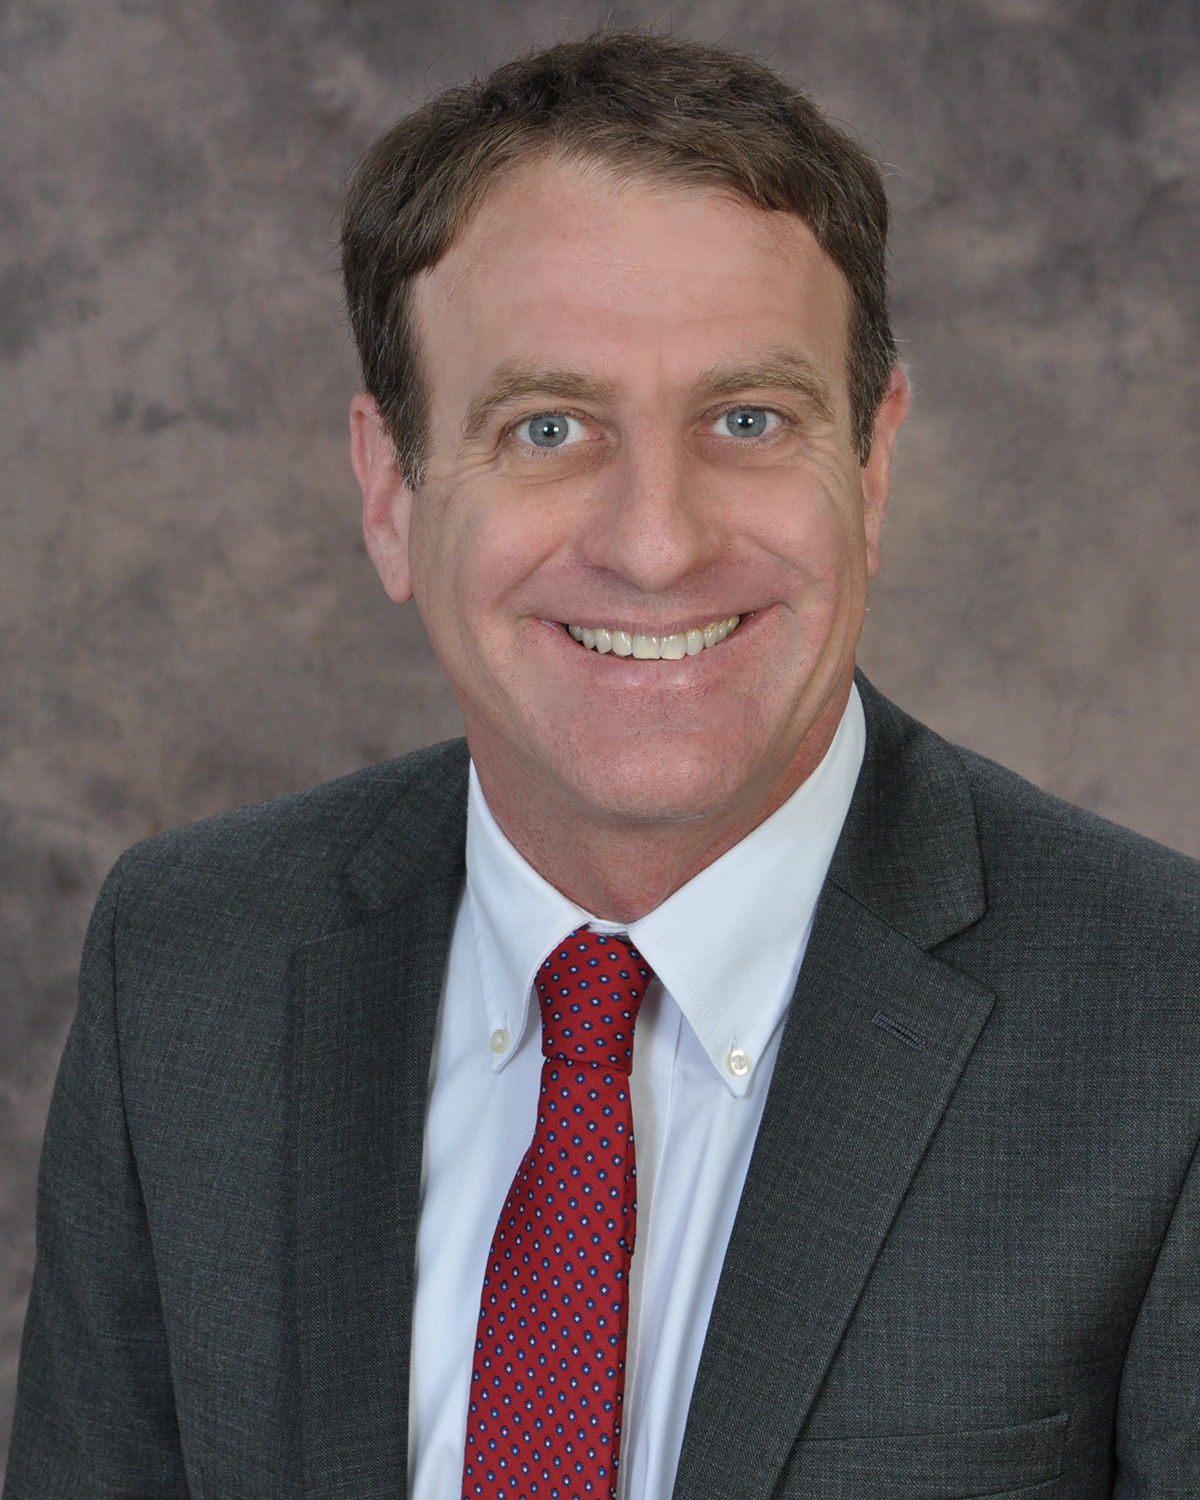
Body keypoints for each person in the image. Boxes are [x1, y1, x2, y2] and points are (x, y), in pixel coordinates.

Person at [6, 30, 1198, 1500]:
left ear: (873, 468)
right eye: (549, 427)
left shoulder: (1168, 1023)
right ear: (392, 494)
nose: (655, 542)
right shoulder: (192, 963)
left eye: (748, 420)